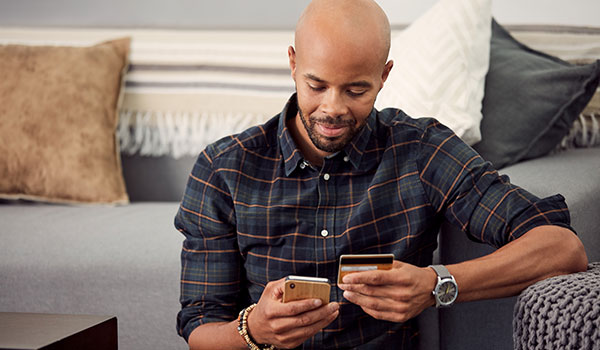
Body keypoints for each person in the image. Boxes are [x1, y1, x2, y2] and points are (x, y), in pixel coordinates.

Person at [174, 0, 588, 349]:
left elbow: (562, 250)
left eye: (356, 90)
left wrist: (435, 284)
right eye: (316, 85)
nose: (333, 108)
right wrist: (255, 330)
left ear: (384, 76)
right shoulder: (224, 168)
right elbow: (200, 331)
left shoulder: (420, 150)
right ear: (293, 63)